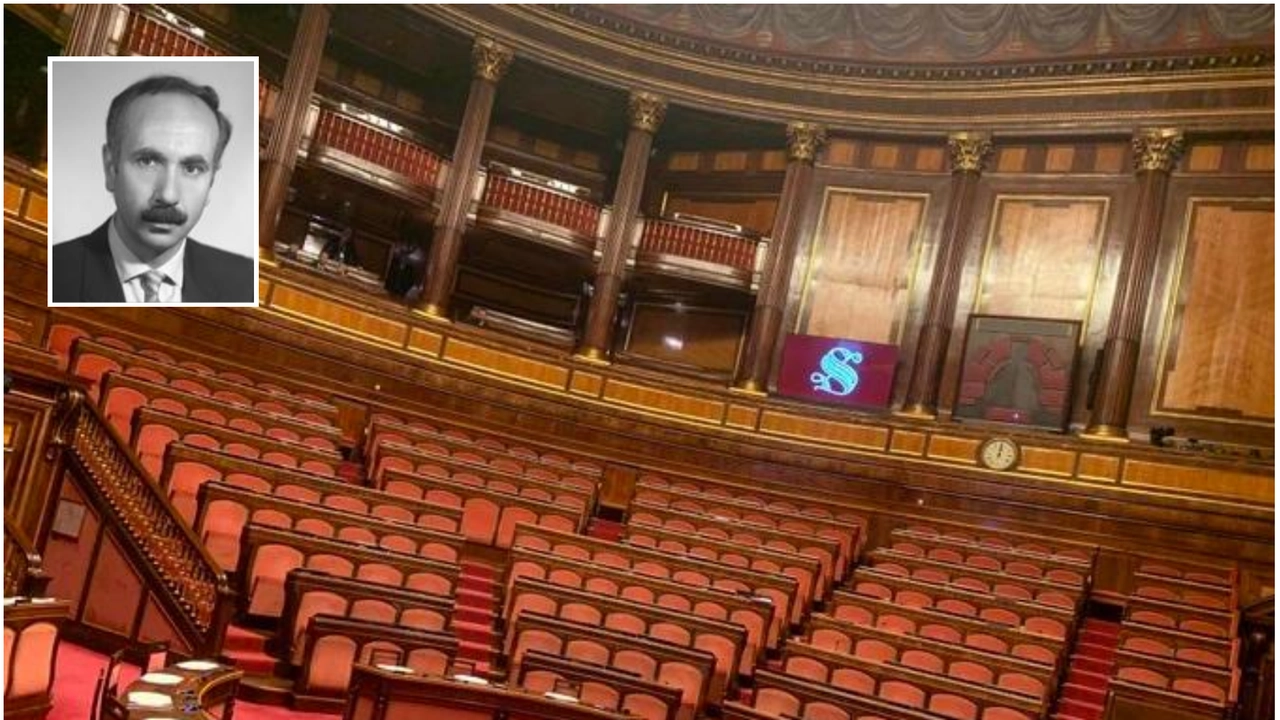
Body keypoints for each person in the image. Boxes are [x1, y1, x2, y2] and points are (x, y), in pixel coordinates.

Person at [52, 74, 253, 303]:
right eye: (147, 162)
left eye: (192, 169)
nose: (168, 195)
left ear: (212, 181)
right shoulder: (53, 273)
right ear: (110, 167)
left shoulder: (244, 284)